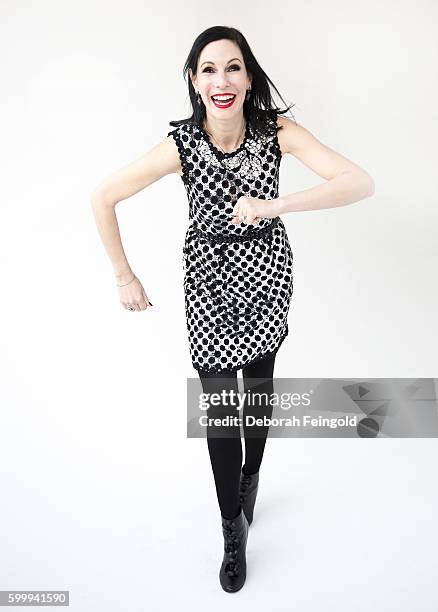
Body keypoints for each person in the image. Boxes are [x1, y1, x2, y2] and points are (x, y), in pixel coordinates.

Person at [91, 25, 375, 593]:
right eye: (209, 69)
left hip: (266, 275)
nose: (222, 81)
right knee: (221, 410)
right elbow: (103, 195)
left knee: (259, 392)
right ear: (193, 81)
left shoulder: (277, 132)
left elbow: (358, 182)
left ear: (248, 77)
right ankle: (231, 530)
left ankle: (253, 476)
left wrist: (277, 203)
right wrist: (124, 275)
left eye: (234, 68)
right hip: (207, 283)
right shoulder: (181, 145)